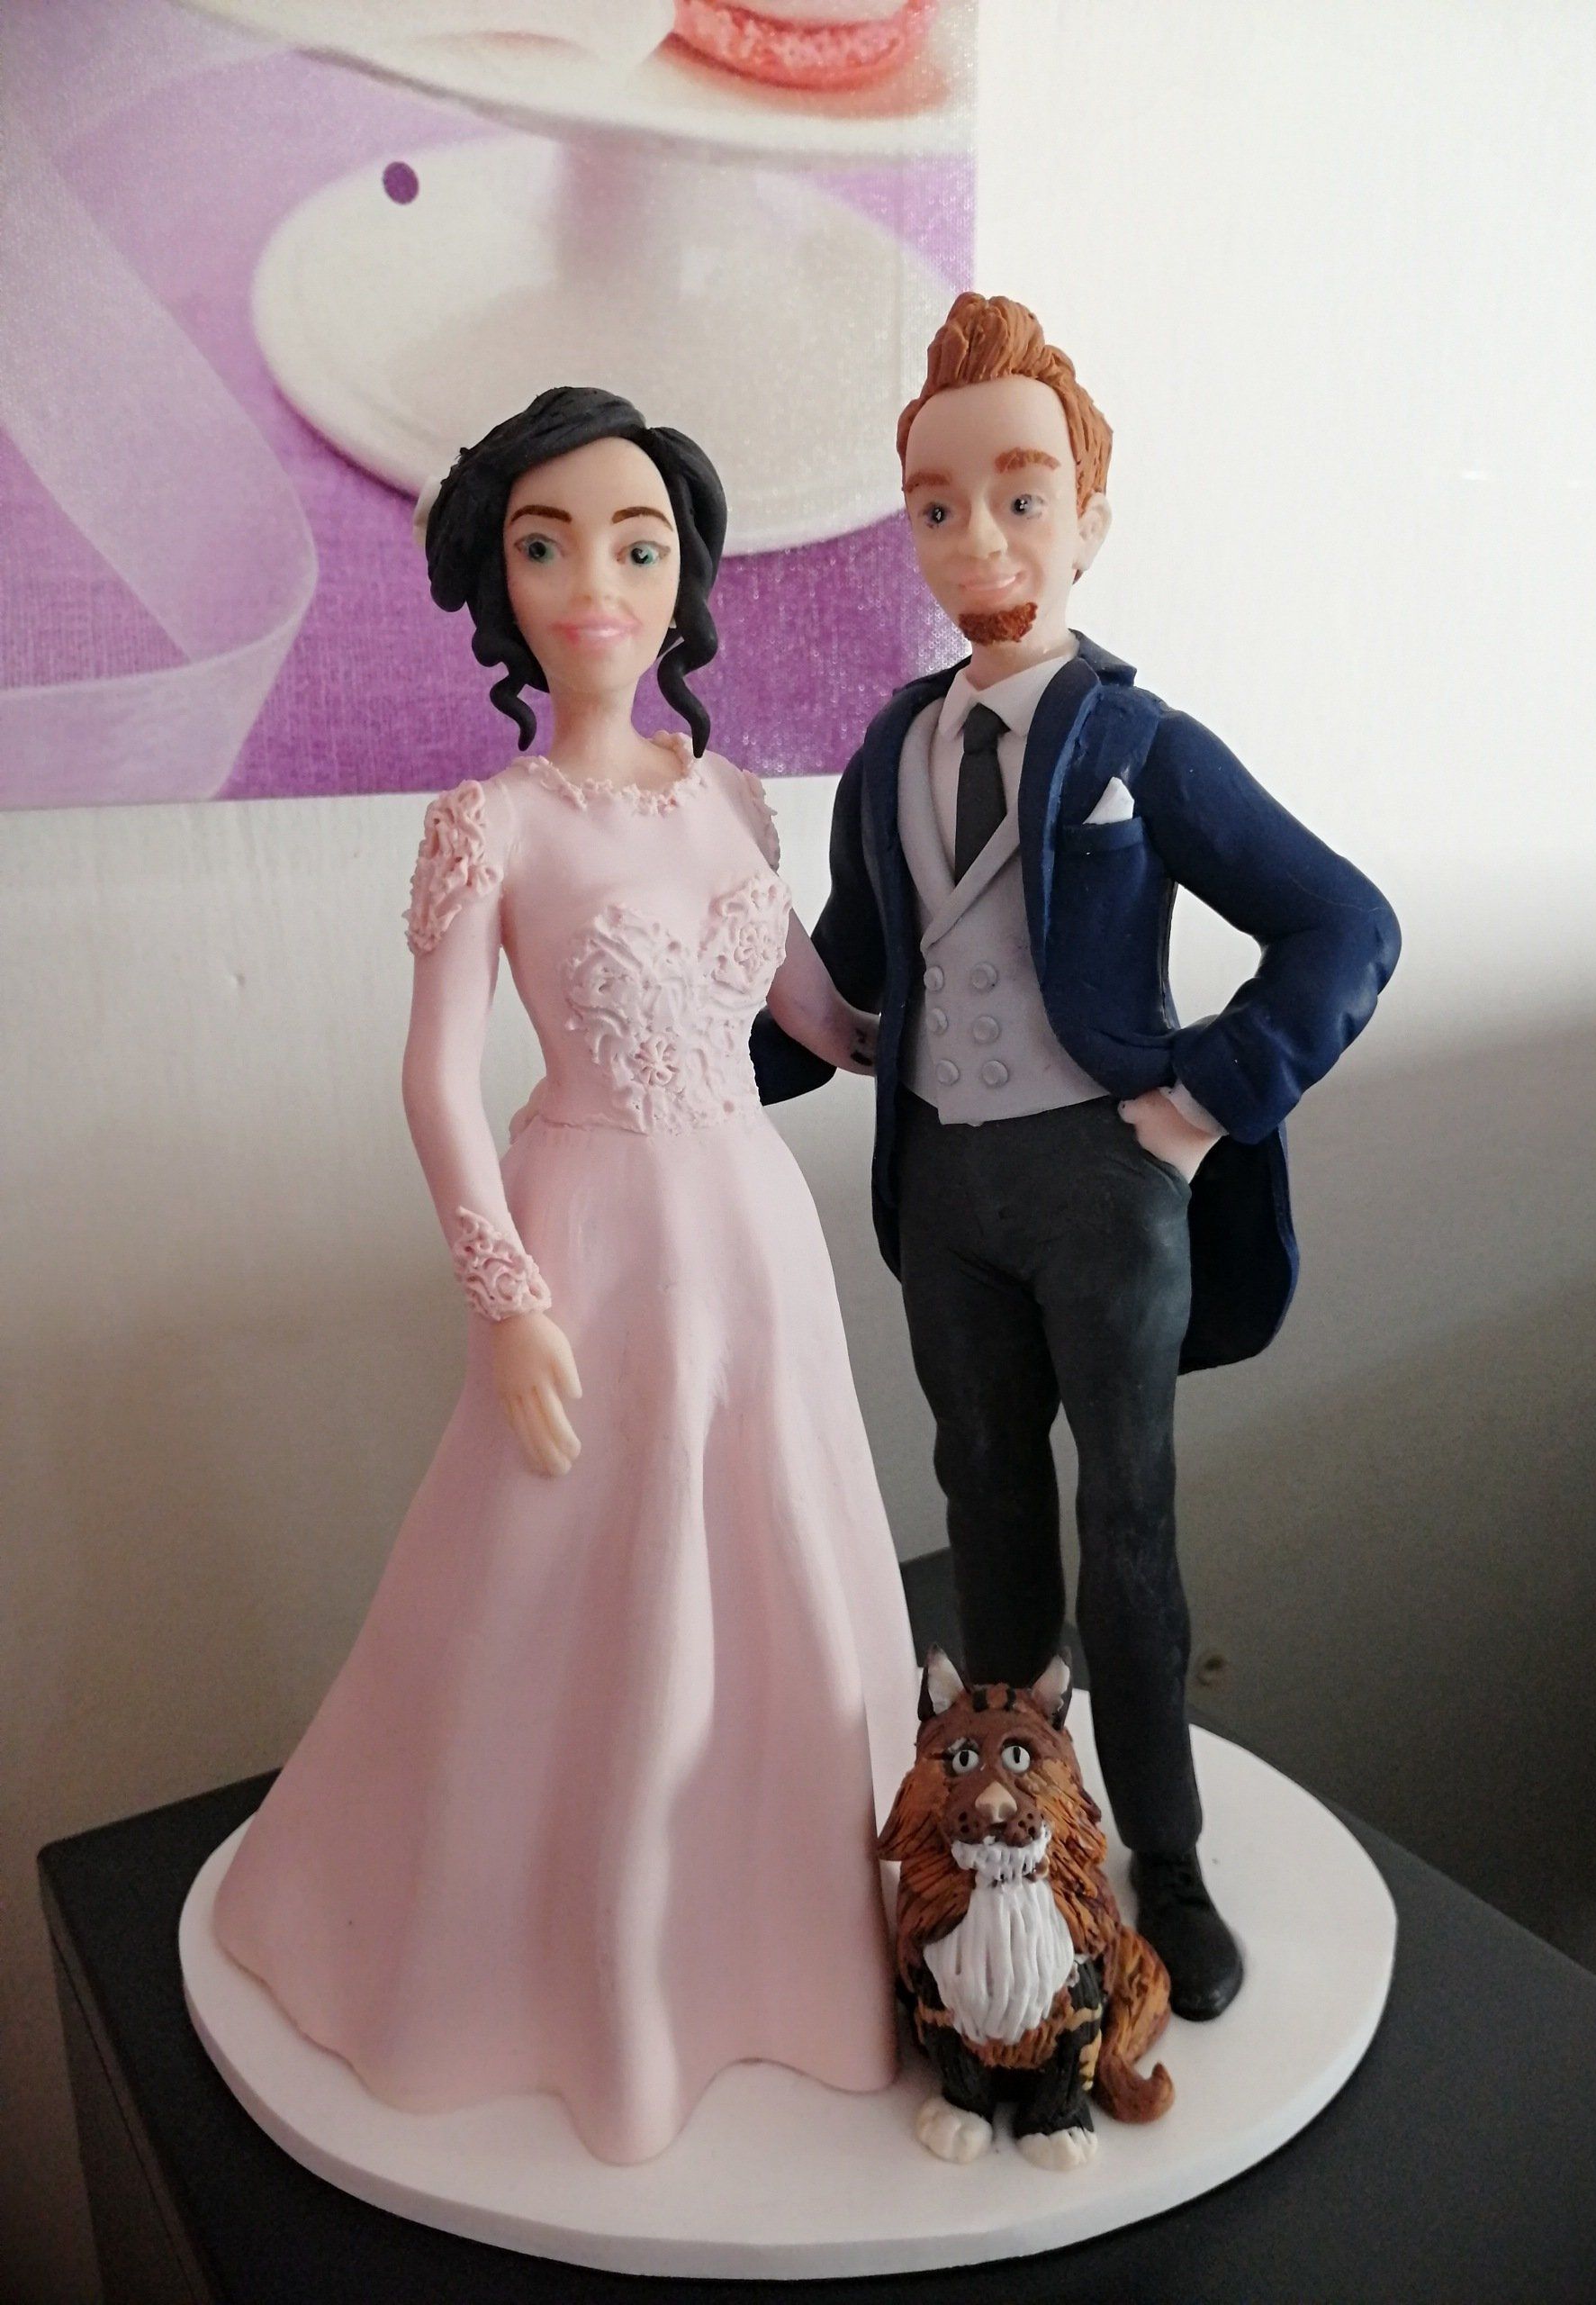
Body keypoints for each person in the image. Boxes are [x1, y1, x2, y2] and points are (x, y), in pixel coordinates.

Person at [212, 387, 915, 2165]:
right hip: (591, 1231)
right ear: (500, 579)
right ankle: (557, 1967)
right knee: (559, 1598)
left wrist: (980, 1013)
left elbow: (819, 1014)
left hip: (748, 1229)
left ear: (683, 575)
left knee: (779, 1561)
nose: (595, 582)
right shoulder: (492, 821)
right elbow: (435, 1082)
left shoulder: (733, 797)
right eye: (548, 545)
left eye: (635, 543)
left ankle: (778, 1947)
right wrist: (506, 1290)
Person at [752, 294, 1401, 2021]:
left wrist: (1205, 1102)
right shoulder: (892, 750)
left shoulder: (1137, 742)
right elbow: (851, 973)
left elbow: (1345, 925)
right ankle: (1007, 1831)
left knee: (1131, 1522)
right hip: (946, 1192)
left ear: (1089, 521)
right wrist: (685, 1056)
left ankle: (1161, 1858)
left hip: (1106, 1185)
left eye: (1022, 497)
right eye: (940, 505)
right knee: (981, 1502)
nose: (980, 538)